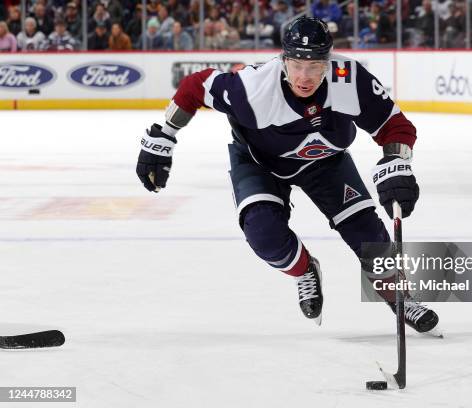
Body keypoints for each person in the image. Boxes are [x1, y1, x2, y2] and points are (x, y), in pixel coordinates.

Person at [135, 16, 439, 334]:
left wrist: (397, 162)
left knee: (369, 235)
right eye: (297, 65)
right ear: (283, 61)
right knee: (263, 234)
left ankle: (400, 297)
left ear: (329, 62)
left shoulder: (348, 78)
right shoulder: (253, 89)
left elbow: (395, 126)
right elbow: (196, 86)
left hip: (325, 161)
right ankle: (305, 271)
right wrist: (163, 134)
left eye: (315, 66)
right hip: (259, 162)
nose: (304, 77)